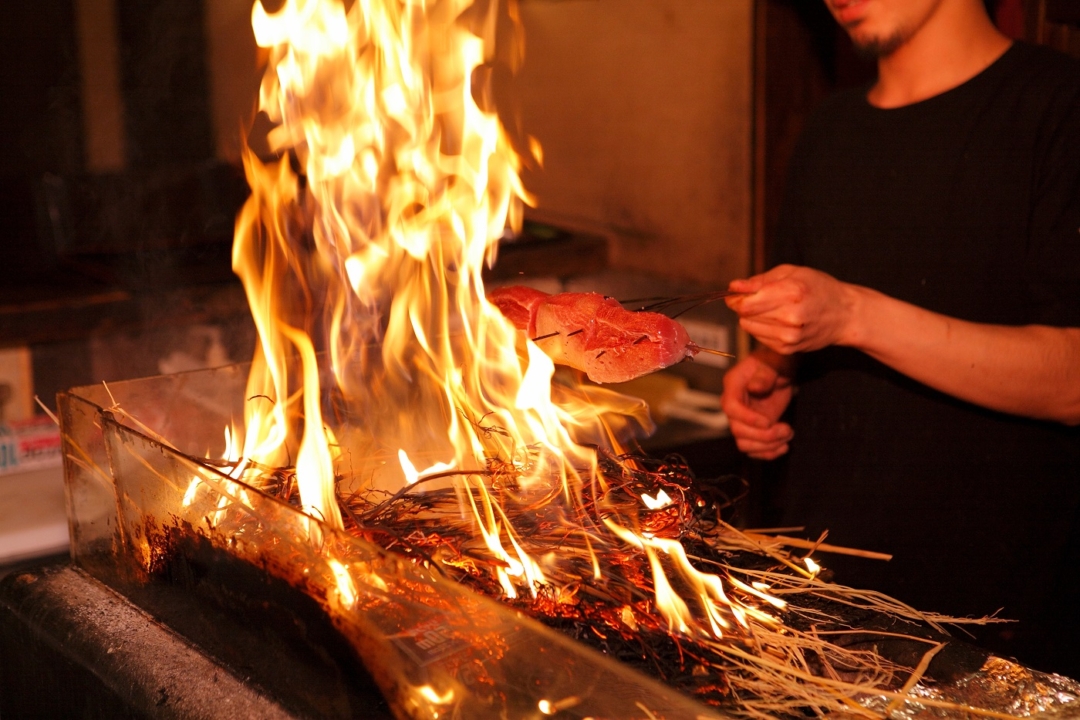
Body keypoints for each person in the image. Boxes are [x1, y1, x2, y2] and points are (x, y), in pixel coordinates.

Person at [720, 0, 1080, 675]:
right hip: (817, 617)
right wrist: (775, 370)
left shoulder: (1058, 109)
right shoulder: (829, 127)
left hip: (993, 640)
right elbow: (822, 328)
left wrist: (853, 314)